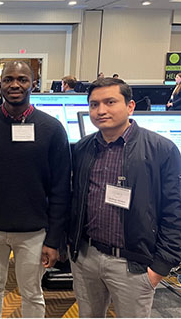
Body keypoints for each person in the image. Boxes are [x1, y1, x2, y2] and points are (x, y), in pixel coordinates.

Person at [0, 61, 71, 318]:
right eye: (8, 79)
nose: (15, 84)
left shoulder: (52, 129)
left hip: (34, 232)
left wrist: (54, 239)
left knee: (32, 292)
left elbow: (60, 189)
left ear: (33, 84)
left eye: (22, 79)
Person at [68, 77, 181, 318]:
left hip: (134, 265)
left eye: (110, 102)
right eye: (94, 104)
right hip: (87, 257)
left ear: (130, 106)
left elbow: (175, 210)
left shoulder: (161, 149)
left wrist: (160, 266)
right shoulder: (83, 148)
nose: (101, 110)